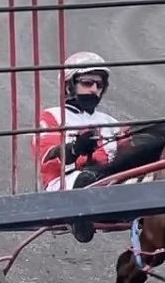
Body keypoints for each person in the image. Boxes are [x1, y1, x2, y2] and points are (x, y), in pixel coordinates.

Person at [34, 51, 120, 242]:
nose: (94, 89)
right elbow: (48, 159)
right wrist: (75, 148)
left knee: (160, 133)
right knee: (86, 178)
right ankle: (78, 214)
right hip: (66, 184)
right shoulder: (52, 116)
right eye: (88, 83)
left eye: (99, 85)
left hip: (110, 180)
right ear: (68, 86)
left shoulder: (109, 121)